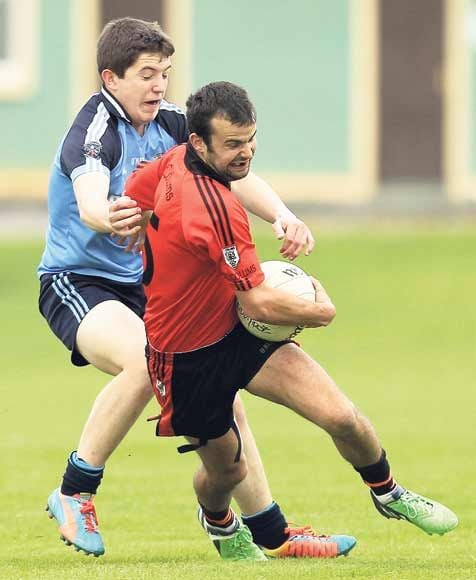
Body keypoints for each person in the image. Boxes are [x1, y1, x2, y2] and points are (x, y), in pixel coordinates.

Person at [38, 17, 348, 560]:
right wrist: (114, 218)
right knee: (144, 359)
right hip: (79, 282)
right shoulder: (94, 131)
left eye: (165, 73)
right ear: (111, 78)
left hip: (149, 287)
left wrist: (282, 216)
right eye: (147, 74)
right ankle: (73, 490)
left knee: (220, 386)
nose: (160, 85)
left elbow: (233, 171)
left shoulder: (176, 123)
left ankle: (270, 536)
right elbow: (88, 201)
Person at [122, 80, 458, 561]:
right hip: (185, 360)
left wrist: (138, 215)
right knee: (227, 475)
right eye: (233, 145)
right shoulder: (213, 210)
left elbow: (140, 190)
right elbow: (260, 302)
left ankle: (389, 493)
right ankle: (217, 519)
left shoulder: (176, 161)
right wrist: (319, 311)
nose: (246, 153)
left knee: (342, 416)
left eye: (251, 139)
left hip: (236, 330)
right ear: (199, 142)